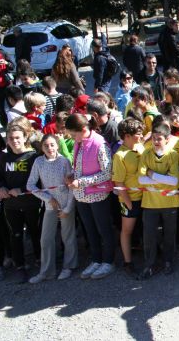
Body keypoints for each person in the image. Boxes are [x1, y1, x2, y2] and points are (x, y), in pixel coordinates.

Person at [64, 113, 115, 280]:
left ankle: (108, 262)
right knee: (90, 230)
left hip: (97, 195)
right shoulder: (79, 142)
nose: (72, 138)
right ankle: (96, 260)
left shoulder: (99, 143)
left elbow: (107, 173)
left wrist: (83, 181)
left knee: (104, 229)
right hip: (81, 195)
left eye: (73, 134)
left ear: (84, 129)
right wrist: (72, 176)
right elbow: (79, 166)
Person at [26, 134, 77, 283]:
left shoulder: (64, 161)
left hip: (66, 203)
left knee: (68, 236)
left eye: (52, 145)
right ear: (42, 147)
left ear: (57, 146)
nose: (50, 148)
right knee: (46, 239)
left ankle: (68, 266)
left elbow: (71, 187)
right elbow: (30, 185)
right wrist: (48, 198)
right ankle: (47, 271)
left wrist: (68, 208)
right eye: (46, 146)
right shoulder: (38, 162)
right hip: (50, 206)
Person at [137, 122, 179, 279]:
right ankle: (149, 264)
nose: (155, 141)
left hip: (170, 202)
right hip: (150, 203)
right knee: (149, 235)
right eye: (153, 138)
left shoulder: (173, 155)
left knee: (169, 234)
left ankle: (168, 261)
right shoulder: (146, 154)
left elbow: (174, 181)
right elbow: (140, 180)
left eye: (159, 138)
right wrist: (163, 178)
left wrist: (151, 174)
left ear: (167, 139)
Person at [0, 123, 40, 283]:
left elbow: (40, 181)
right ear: (7, 141)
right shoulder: (4, 159)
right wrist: (1, 187)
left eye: (17, 138)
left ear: (24, 138)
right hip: (11, 206)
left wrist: (21, 189)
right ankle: (20, 267)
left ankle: (40, 259)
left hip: (32, 203)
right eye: (11, 138)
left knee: (35, 232)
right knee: (15, 235)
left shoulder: (33, 157)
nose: (15, 141)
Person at [111, 118, 144, 276]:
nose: (141, 135)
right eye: (138, 133)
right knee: (126, 230)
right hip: (129, 199)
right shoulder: (120, 155)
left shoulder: (140, 147)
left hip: (145, 197)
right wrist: (129, 203)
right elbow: (119, 182)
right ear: (127, 136)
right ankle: (127, 262)